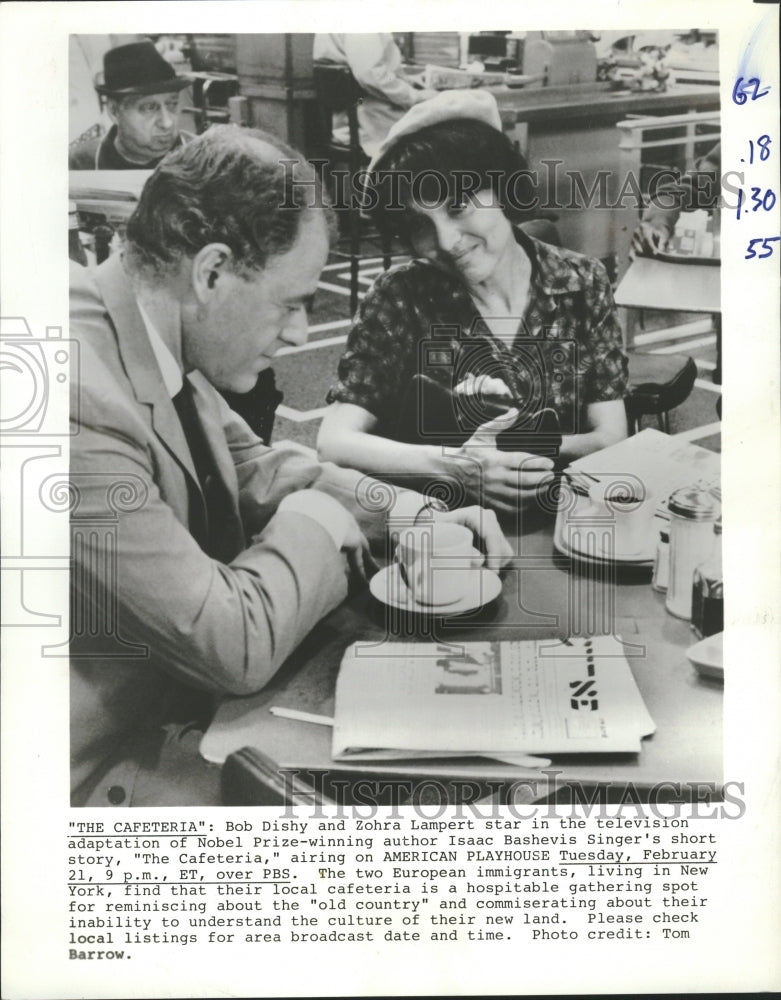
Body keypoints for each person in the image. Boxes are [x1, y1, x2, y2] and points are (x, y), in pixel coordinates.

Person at [69, 125, 511, 807]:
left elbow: (257, 467)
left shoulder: (146, 325)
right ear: (212, 270)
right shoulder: (75, 395)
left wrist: (412, 513)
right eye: (292, 302)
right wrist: (325, 515)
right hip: (106, 768)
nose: (305, 335)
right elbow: (232, 643)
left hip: (183, 705)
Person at [318, 91, 629, 515]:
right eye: (419, 225)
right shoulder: (399, 299)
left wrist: (517, 454)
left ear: (501, 187)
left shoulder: (582, 283)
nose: (446, 242)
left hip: (564, 525)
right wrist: (456, 466)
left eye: (458, 206)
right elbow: (333, 441)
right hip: (447, 537)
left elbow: (611, 435)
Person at [68, 40, 193, 169]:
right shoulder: (81, 163)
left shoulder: (202, 157)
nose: (167, 123)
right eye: (149, 107)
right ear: (114, 112)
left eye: (172, 104)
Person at [313, 33, 436, 158]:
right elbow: (370, 75)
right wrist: (417, 96)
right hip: (368, 120)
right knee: (443, 129)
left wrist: (408, 82)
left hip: (353, 116)